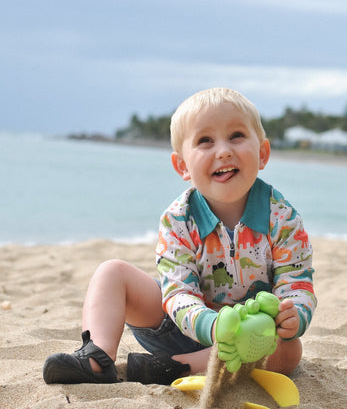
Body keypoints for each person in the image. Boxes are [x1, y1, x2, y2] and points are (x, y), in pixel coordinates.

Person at [43, 88, 317, 386]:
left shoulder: (282, 217)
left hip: (248, 340)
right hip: (177, 327)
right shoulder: (178, 219)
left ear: (263, 153)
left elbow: (297, 280)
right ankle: (96, 357)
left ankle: (178, 367)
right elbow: (176, 293)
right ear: (182, 166)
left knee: (289, 351)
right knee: (112, 272)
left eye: (236, 135)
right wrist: (213, 326)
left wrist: (294, 313)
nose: (223, 150)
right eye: (205, 141)